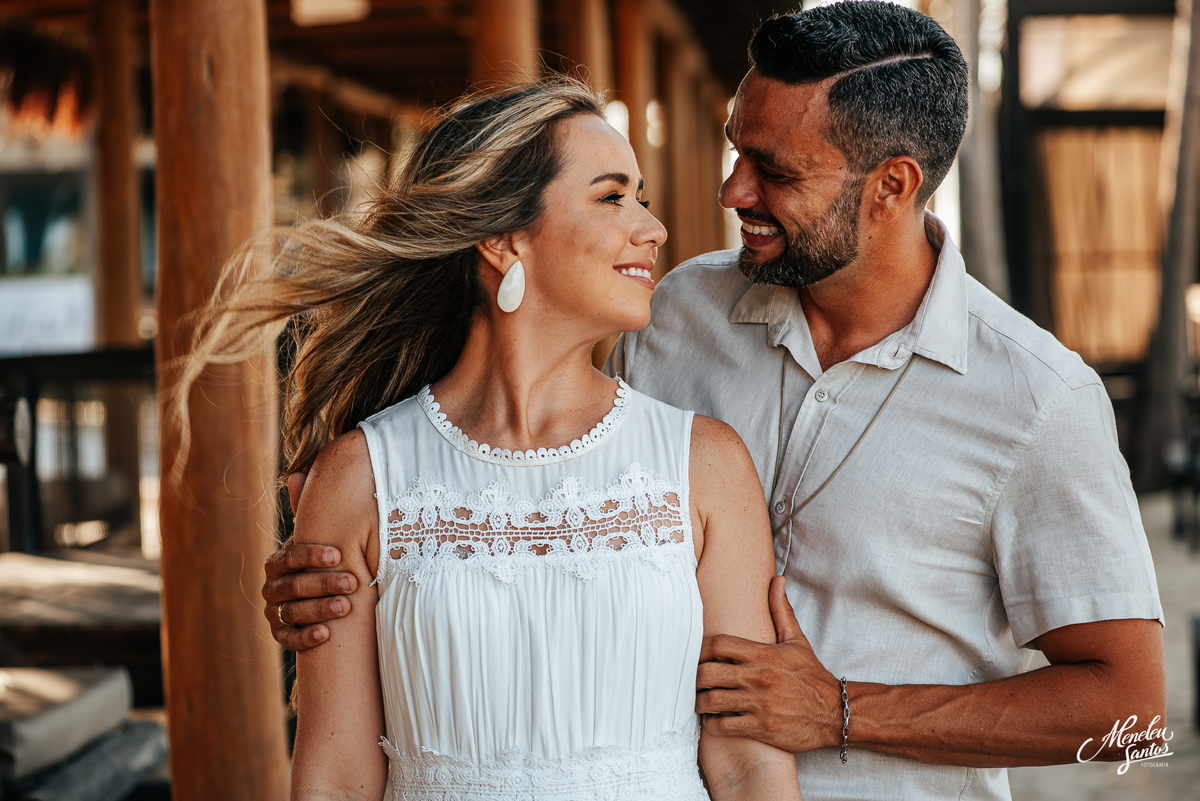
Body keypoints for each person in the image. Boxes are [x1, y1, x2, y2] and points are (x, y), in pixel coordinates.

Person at [266, 3, 1167, 800]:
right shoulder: (673, 312)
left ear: (891, 186)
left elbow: (1133, 714)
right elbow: (507, 411)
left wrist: (843, 711)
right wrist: (345, 569)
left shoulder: (1038, 398)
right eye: (735, 147)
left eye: (772, 170)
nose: (732, 191)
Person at [185, 79, 803, 799]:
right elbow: (337, 775)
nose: (653, 227)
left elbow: (748, 763)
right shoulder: (360, 478)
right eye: (612, 197)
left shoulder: (704, 465)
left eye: (640, 196)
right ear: (504, 237)